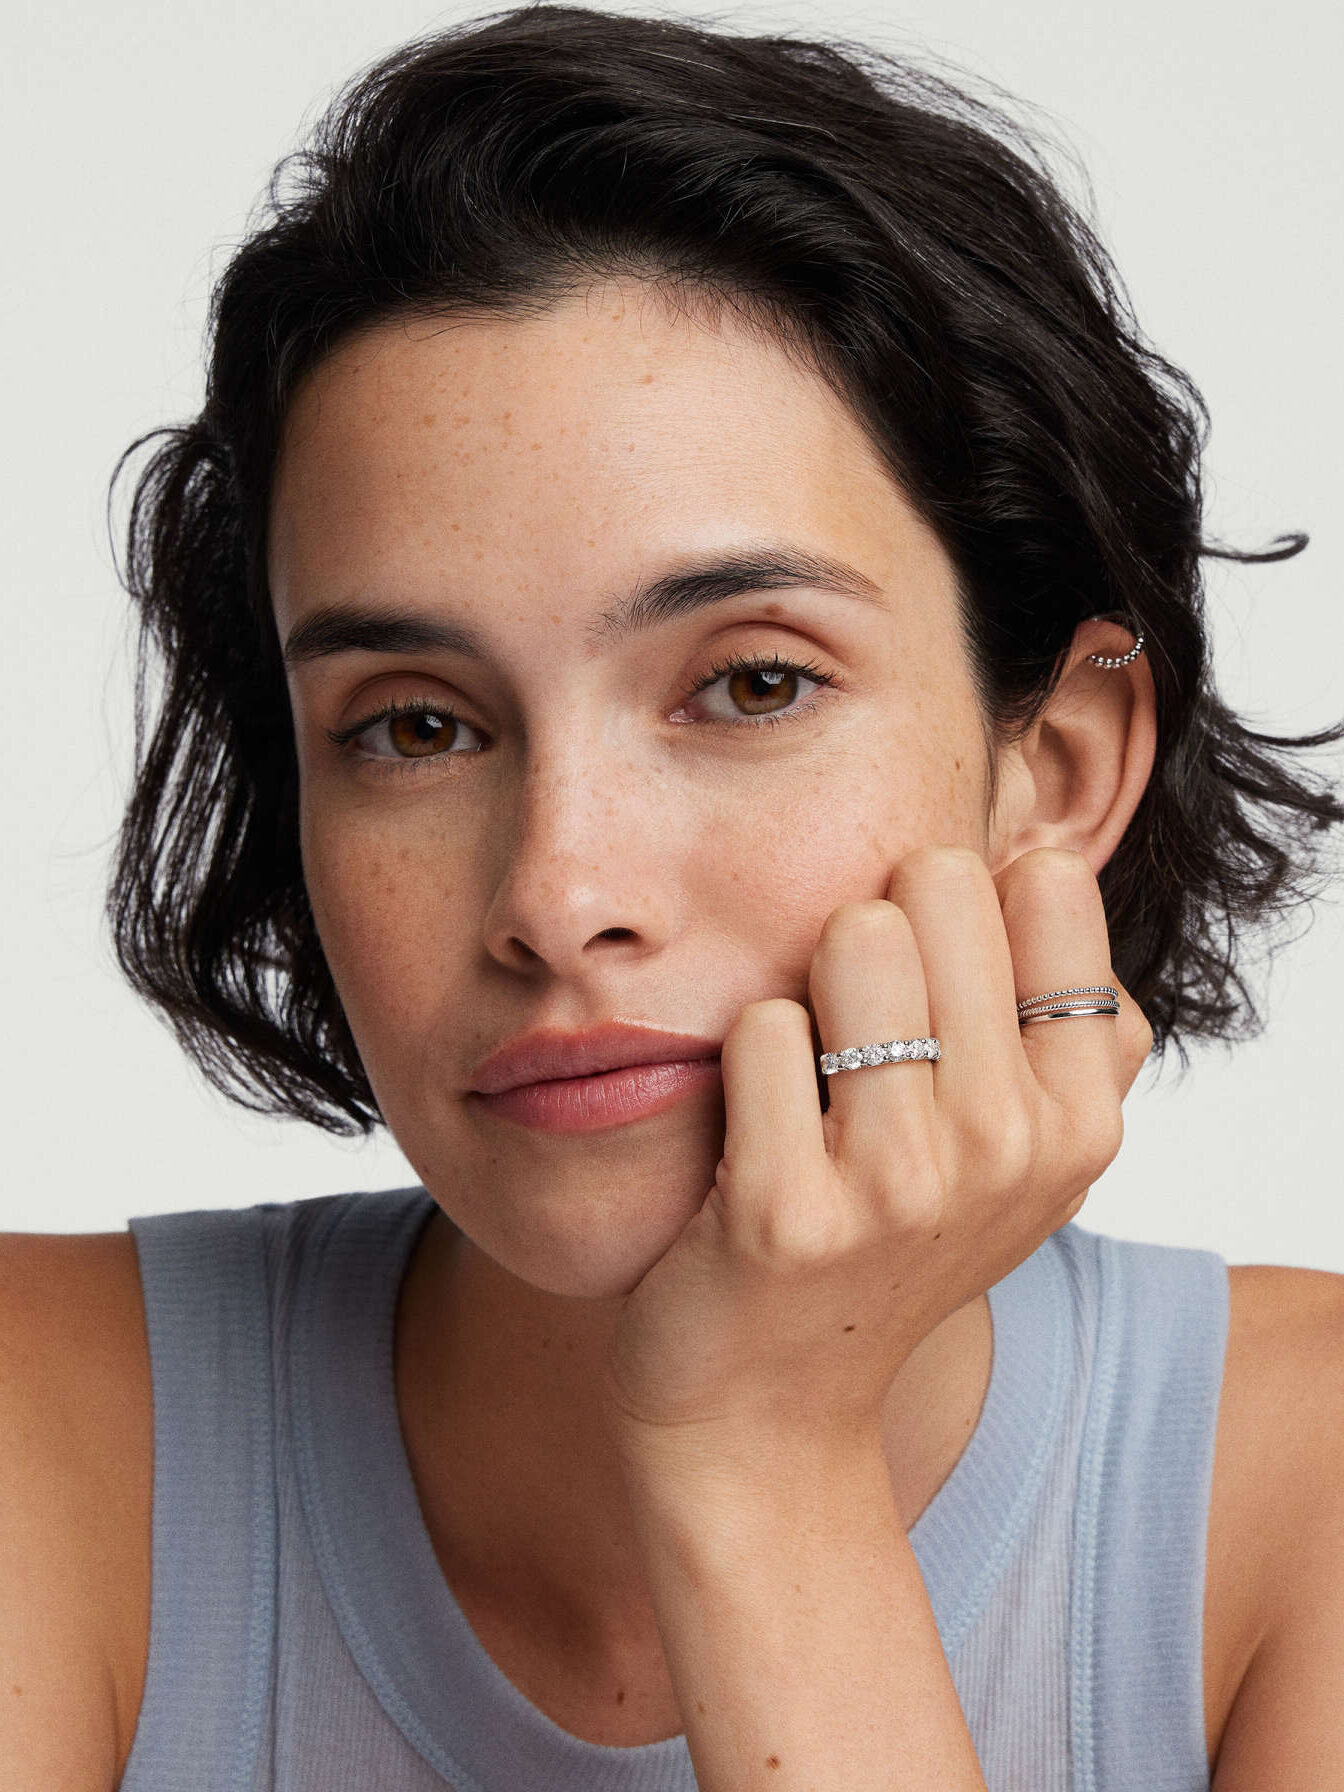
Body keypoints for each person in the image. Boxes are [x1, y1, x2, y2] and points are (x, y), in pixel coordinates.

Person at [4, 5, 1343, 1787]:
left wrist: (760, 1452)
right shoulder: (39, 1435)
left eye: (753, 684)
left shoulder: (1308, 1497)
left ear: (1063, 766)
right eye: (415, 725)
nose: (558, 895)